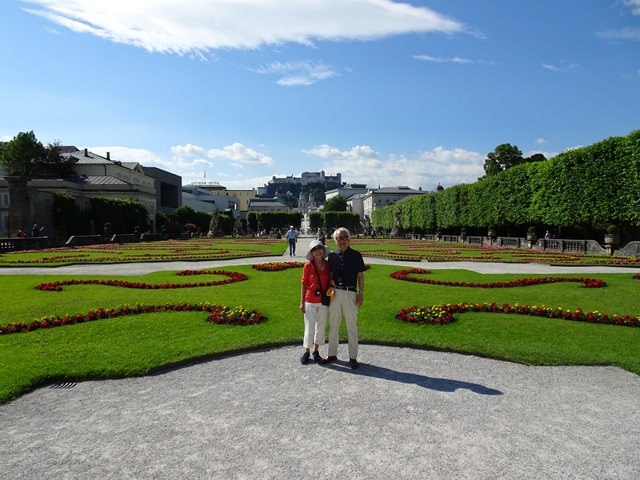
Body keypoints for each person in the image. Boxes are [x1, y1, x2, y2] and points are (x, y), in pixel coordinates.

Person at [321, 227, 366, 369]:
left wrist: (361, 293)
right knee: (333, 324)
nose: (342, 241)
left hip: (350, 293)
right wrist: (329, 286)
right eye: (339, 238)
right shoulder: (332, 256)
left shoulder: (356, 255)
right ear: (335, 240)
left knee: (351, 326)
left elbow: (360, 275)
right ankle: (332, 353)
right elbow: (331, 274)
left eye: (344, 237)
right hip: (335, 293)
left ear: (349, 239)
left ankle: (352, 357)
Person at [299, 239, 332, 364]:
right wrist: (302, 302)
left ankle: (316, 351)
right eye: (315, 249)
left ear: (323, 250)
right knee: (309, 327)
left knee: (321, 327)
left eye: (319, 248)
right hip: (310, 300)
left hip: (323, 300)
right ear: (312, 253)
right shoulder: (308, 266)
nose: (318, 251)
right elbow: (304, 284)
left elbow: (330, 280)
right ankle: (307, 351)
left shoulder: (328, 265)